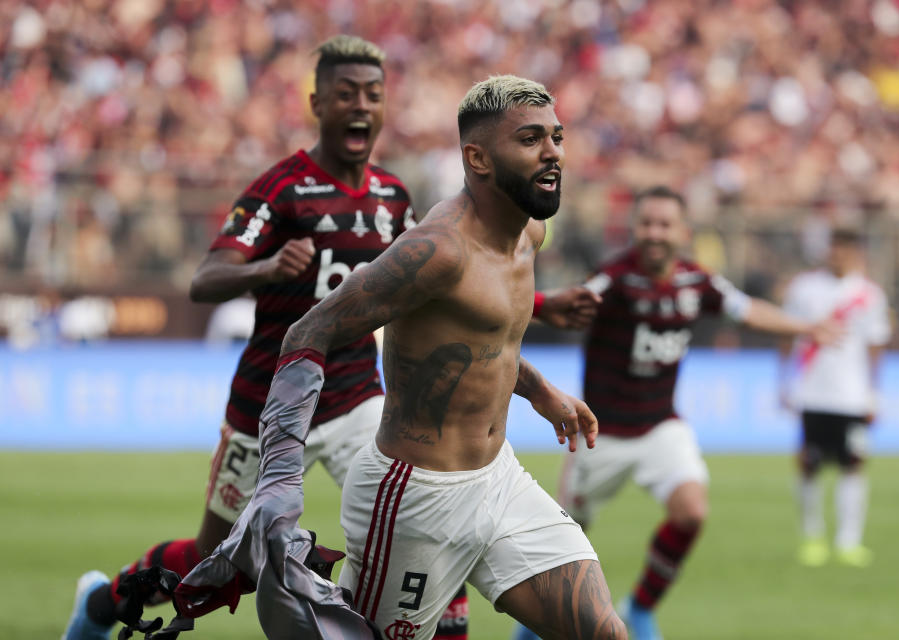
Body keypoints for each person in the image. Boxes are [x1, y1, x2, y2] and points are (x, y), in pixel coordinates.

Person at [172, 74, 628, 640]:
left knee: (604, 632)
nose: (553, 152)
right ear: (478, 158)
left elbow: (484, 339)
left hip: (499, 479)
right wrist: (281, 479)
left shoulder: (530, 230)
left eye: (557, 136)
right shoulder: (437, 250)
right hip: (413, 497)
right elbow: (308, 332)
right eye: (531, 139)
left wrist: (539, 391)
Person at [61, 35, 484, 640]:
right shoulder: (282, 187)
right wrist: (264, 267)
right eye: (345, 94)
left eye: (373, 94)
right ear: (317, 102)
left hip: (356, 399)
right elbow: (206, 278)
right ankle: (101, 603)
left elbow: (432, 283)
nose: (361, 106)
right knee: (222, 563)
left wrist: (537, 303)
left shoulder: (394, 197)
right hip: (269, 406)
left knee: (424, 520)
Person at [515, 185, 838, 640]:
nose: (654, 233)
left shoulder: (696, 283)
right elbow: (566, 302)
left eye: (665, 224)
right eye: (646, 223)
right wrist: (511, 303)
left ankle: (640, 607)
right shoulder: (615, 279)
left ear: (683, 232)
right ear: (635, 229)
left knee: (691, 511)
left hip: (660, 427)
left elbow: (748, 312)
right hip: (599, 436)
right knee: (564, 545)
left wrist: (805, 327)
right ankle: (531, 629)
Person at [778, 227, 891, 568]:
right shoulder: (804, 288)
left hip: (852, 395)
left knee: (853, 463)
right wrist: (783, 382)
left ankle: (848, 540)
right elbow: (786, 335)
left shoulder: (869, 294)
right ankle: (812, 536)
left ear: (857, 252)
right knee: (809, 464)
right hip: (813, 392)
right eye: (835, 247)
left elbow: (875, 346)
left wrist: (873, 393)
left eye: (846, 248)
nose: (839, 254)